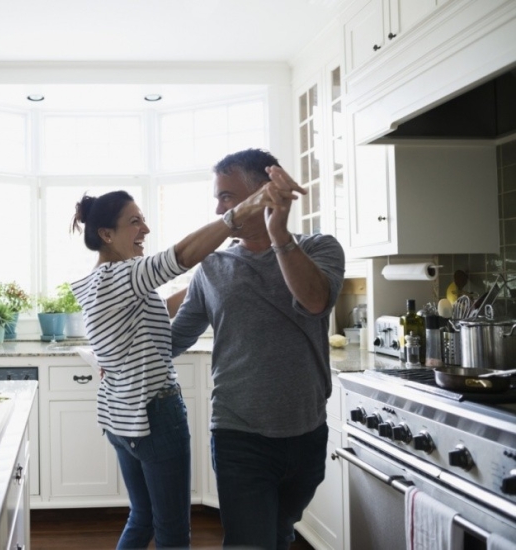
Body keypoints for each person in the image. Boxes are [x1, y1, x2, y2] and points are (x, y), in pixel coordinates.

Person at [69, 176, 305, 550]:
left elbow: (156, 311)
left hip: (121, 417)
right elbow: (178, 257)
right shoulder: (125, 275)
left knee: (142, 516)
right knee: (173, 532)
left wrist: (206, 276)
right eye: (134, 221)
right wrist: (241, 211)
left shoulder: (99, 282)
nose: (145, 229)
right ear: (107, 234)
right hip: (154, 417)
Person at [170, 148, 345, 550]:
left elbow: (315, 302)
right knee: (250, 541)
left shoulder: (320, 248)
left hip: (307, 432)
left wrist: (279, 234)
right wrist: (119, 357)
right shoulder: (212, 267)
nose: (219, 208)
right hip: (238, 433)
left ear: (263, 194)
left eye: (227, 196)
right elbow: (175, 339)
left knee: (281, 531)